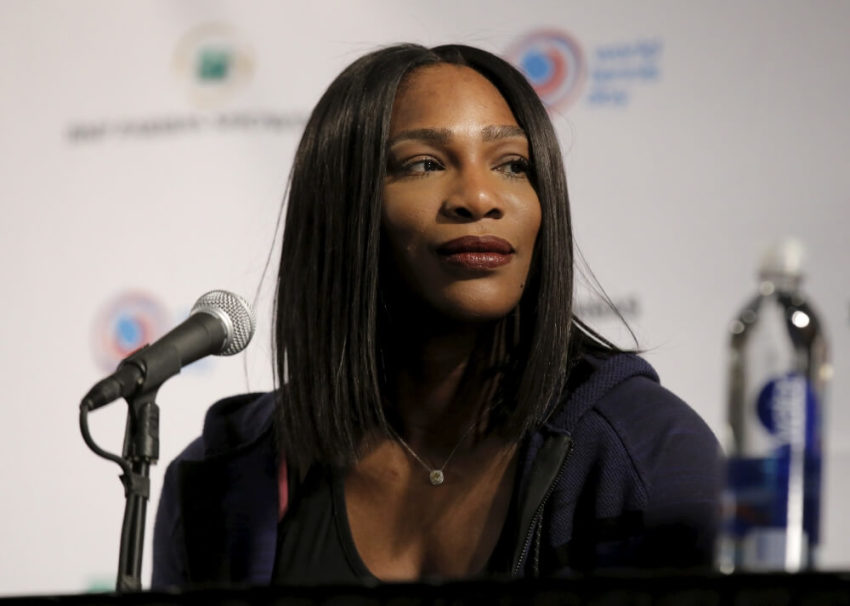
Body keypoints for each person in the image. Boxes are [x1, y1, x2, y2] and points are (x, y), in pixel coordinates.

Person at [151, 43, 721, 588]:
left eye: (512, 164)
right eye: (424, 163)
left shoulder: (644, 454)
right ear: (342, 207)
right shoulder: (223, 479)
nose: (479, 197)